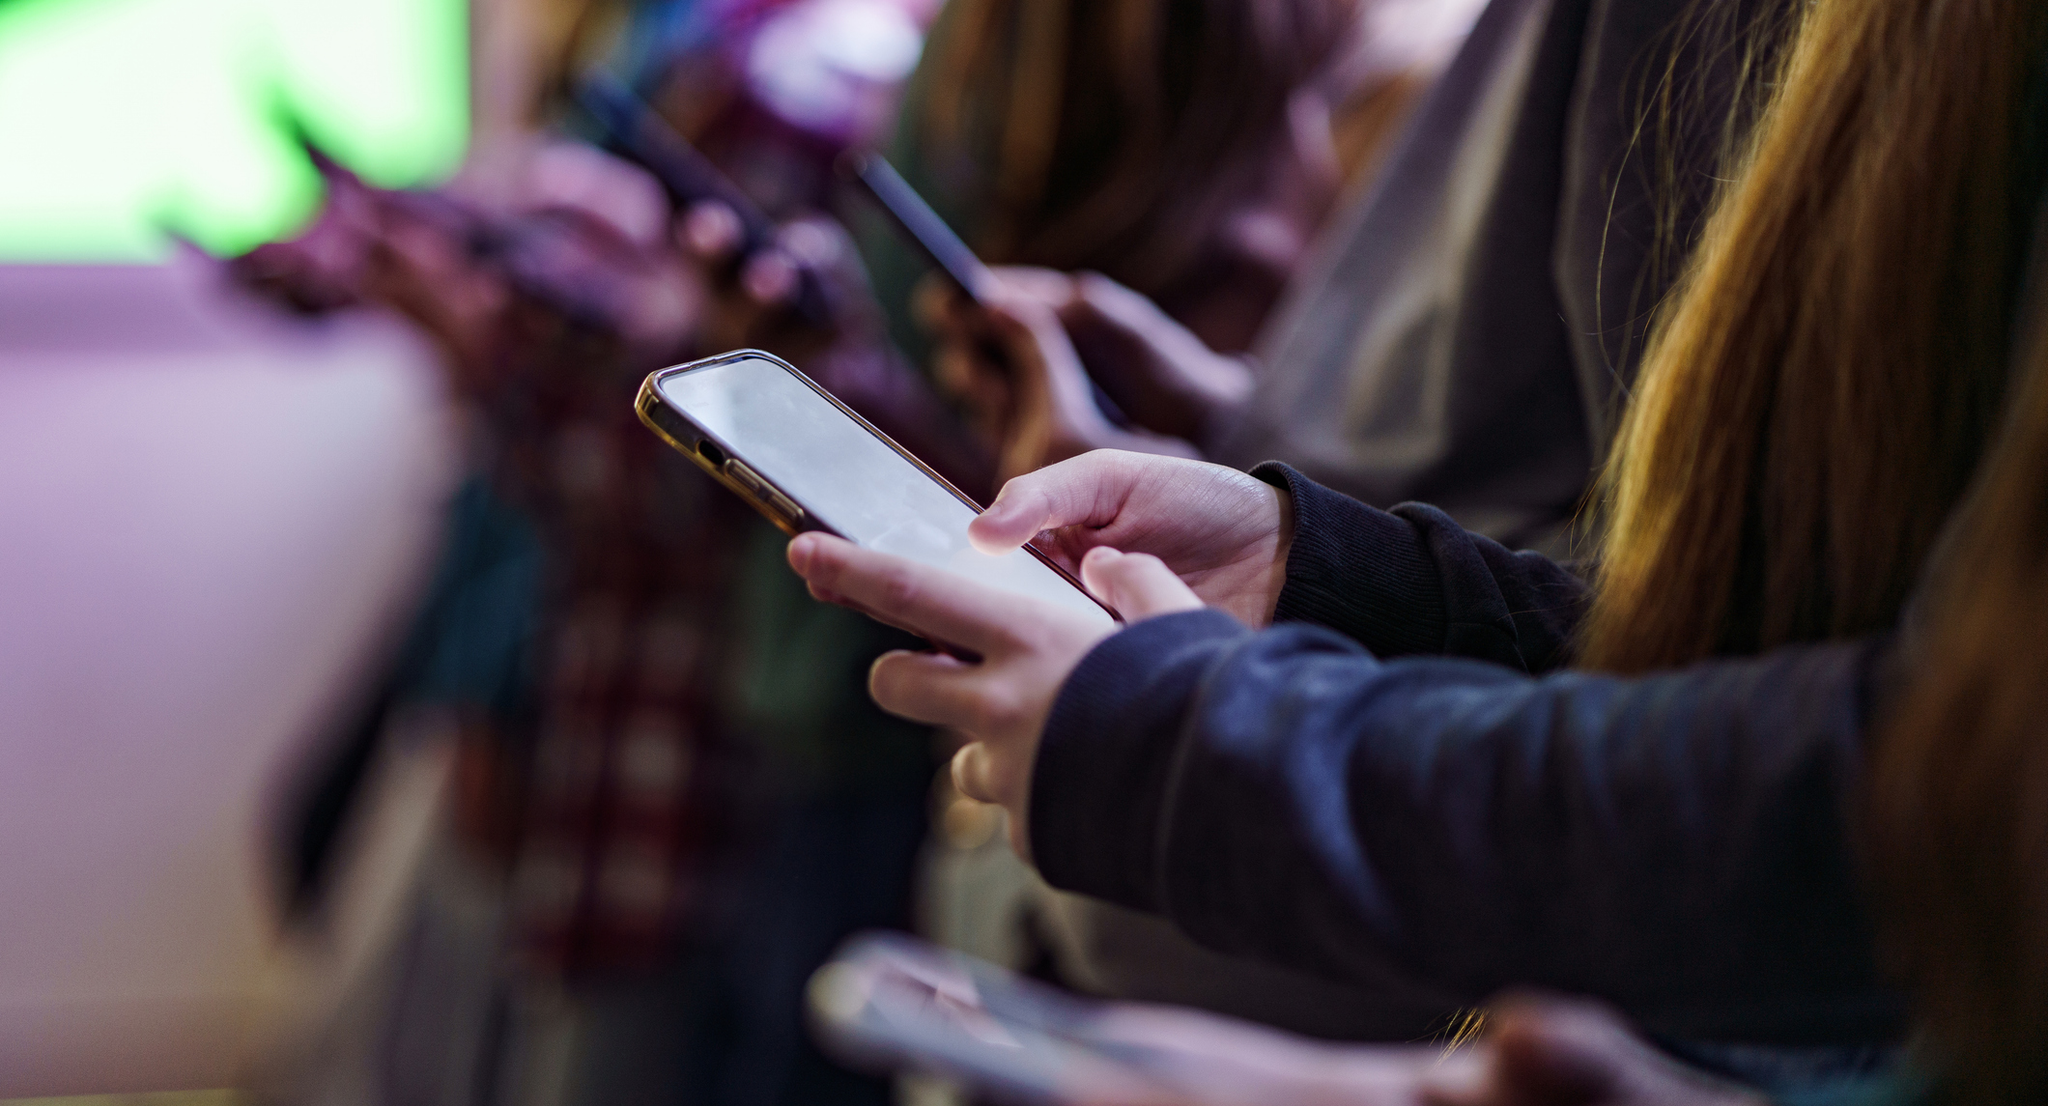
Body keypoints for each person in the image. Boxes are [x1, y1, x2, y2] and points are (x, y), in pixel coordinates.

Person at [779, 0, 2048, 1056]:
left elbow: (1921, 771)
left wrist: (1210, 752)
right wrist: (1313, 554)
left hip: (1404, 992)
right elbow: (1698, 612)